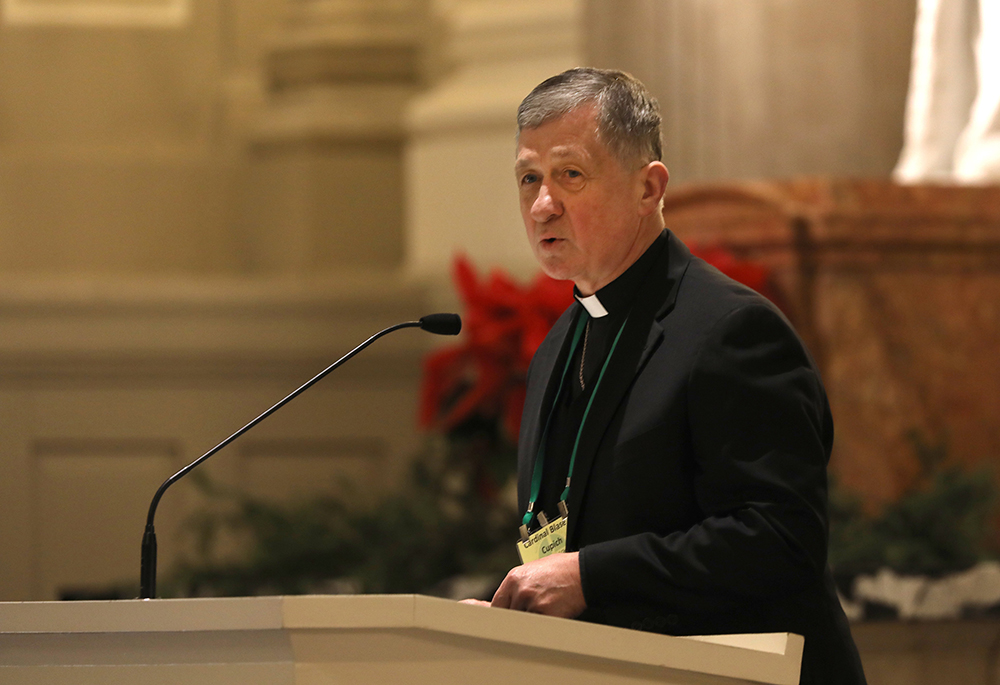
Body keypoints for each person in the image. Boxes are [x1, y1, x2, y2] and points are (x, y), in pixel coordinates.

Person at [464, 67, 867, 684]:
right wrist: (517, 617)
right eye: (529, 179)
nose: (543, 204)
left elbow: (781, 540)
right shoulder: (555, 351)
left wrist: (588, 576)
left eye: (570, 174)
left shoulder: (730, 329)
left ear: (649, 188)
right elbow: (567, 532)